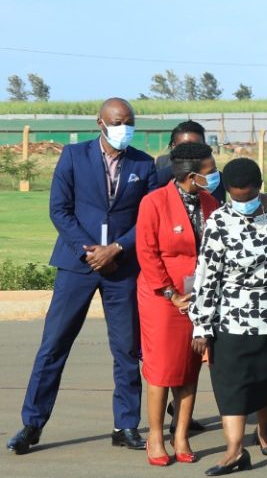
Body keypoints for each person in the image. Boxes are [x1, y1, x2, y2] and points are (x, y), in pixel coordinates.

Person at [9, 98, 160, 456]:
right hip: (78, 265)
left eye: (129, 121)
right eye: (117, 122)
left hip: (122, 268)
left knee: (126, 350)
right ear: (100, 123)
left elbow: (149, 217)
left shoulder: (144, 163)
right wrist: (88, 250)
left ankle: (125, 425)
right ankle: (32, 424)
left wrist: (118, 249)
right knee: (54, 345)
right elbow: (59, 210)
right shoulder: (74, 156)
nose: (124, 128)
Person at [189, 158, 267, 477]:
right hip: (233, 318)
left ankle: (265, 430)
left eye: (247, 197)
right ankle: (234, 451)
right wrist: (201, 326)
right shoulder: (219, 221)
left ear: (259, 187)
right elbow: (206, 277)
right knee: (231, 385)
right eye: (235, 197)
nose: (241, 204)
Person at [134, 141, 219, 465]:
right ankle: (155, 435)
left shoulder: (211, 202)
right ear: (192, 175)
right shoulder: (154, 202)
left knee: (190, 365)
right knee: (162, 368)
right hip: (162, 297)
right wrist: (171, 293)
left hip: (200, 296)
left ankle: (180, 432)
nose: (214, 177)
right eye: (210, 171)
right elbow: (147, 252)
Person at [154, 120, 225, 202]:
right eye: (185, 146)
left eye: (197, 146)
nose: (192, 151)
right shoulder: (162, 166)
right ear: (174, 146)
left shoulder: (214, 178)